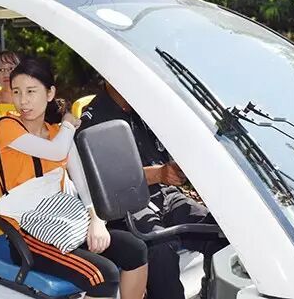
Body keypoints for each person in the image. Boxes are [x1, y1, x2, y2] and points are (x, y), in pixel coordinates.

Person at [0, 58, 148, 299]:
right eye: (17, 92)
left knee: (136, 250)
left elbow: (81, 181)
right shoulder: (6, 126)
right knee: (103, 276)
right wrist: (68, 124)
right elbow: (56, 152)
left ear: (49, 93)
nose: (23, 101)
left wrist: (96, 220)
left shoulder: (56, 132)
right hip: (27, 232)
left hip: (63, 222)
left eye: (31, 91)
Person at [77, 81, 227, 299]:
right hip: (127, 206)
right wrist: (159, 174)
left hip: (166, 195)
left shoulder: (147, 108)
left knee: (219, 231)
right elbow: (106, 179)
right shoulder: (93, 121)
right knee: (160, 248)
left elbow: (171, 151)